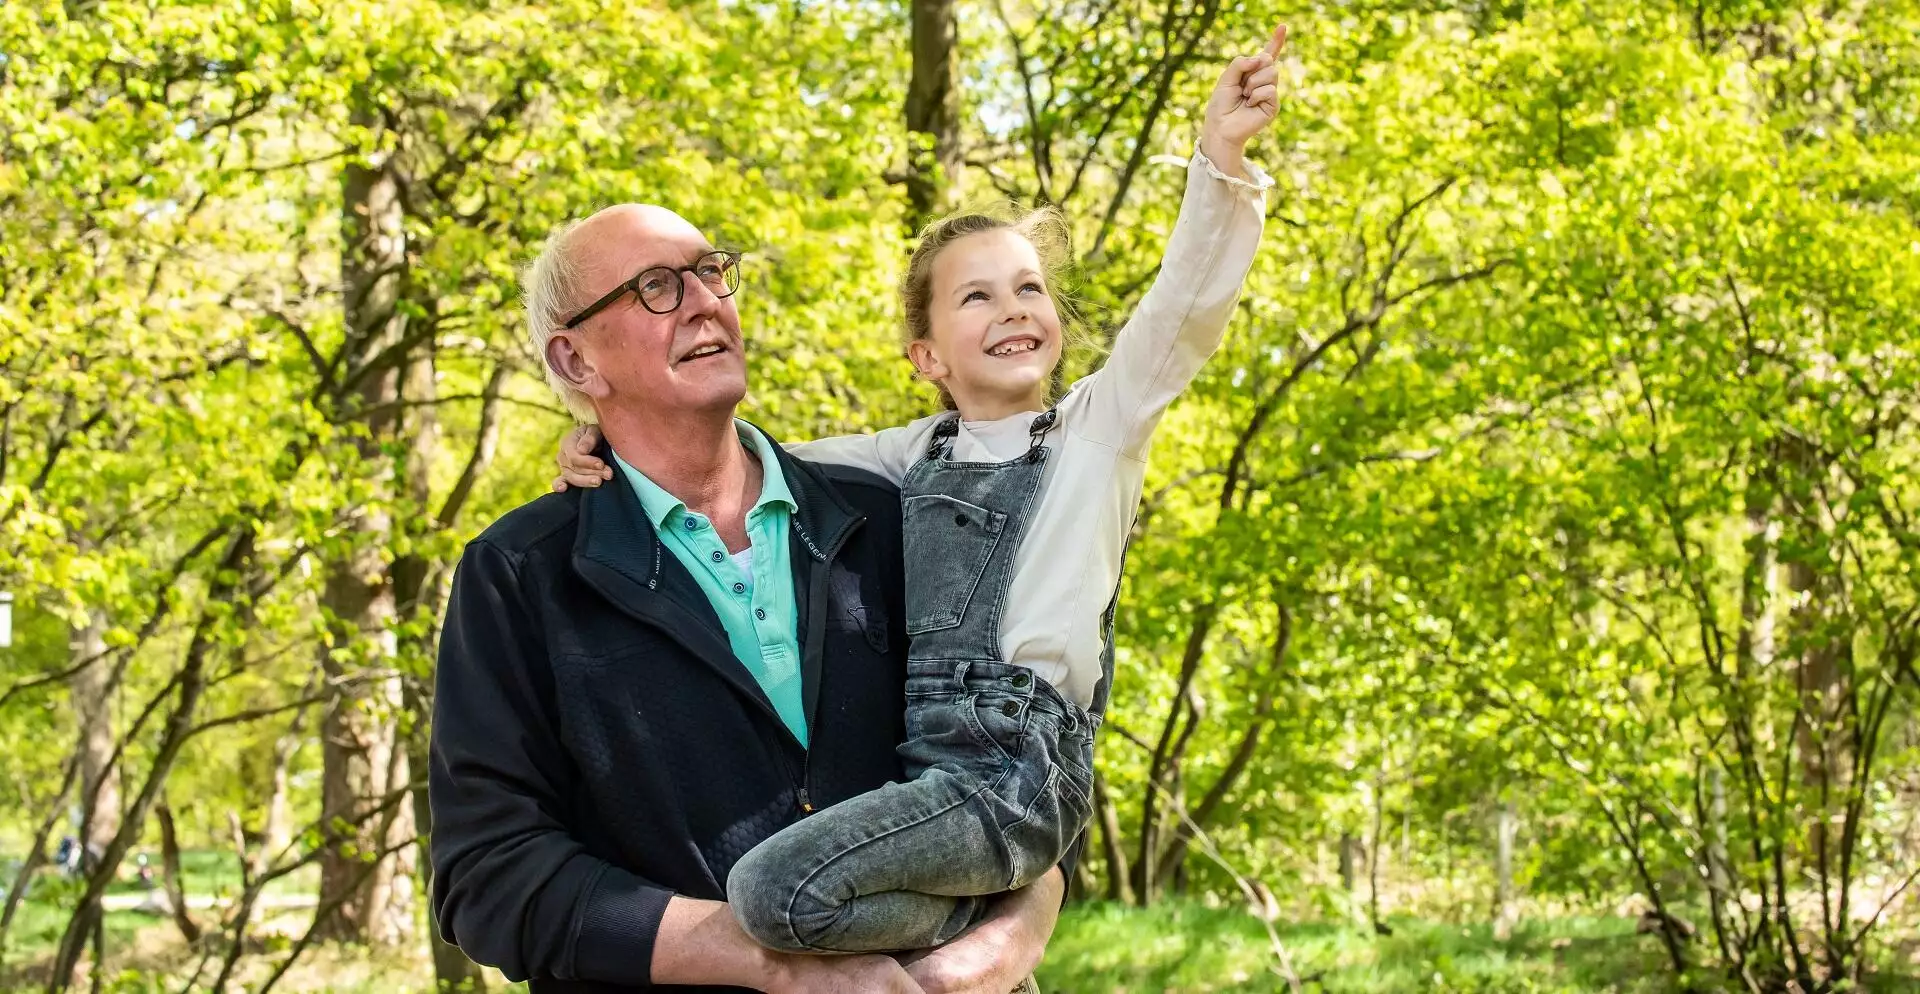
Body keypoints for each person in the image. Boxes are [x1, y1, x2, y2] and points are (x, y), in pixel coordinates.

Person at [551, 24, 1287, 958]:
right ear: (927, 355)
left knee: (770, 892)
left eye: (1028, 289)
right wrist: (607, 442)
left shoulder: (1097, 433)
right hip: (934, 769)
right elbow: (737, 451)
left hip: (1020, 770)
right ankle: (968, 941)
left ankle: (962, 943)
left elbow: (1182, 310)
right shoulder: (912, 456)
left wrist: (1220, 157)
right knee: (786, 895)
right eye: (977, 297)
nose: (1014, 309)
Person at [429, 140, 1068, 994]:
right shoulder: (519, 576)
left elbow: (1028, 752)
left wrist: (1011, 937)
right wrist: (769, 963)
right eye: (656, 287)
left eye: (710, 273)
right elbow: (490, 877)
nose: (702, 304)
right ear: (574, 361)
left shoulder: (888, 518)